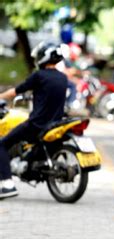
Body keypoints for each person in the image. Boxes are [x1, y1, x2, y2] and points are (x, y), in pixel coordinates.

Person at [0, 42, 68, 199]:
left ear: (43, 57)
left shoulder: (39, 75)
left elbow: (15, 91)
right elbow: (49, 94)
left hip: (37, 124)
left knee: (2, 144)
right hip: (55, 124)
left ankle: (7, 184)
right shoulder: (63, 78)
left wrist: (0, 96)